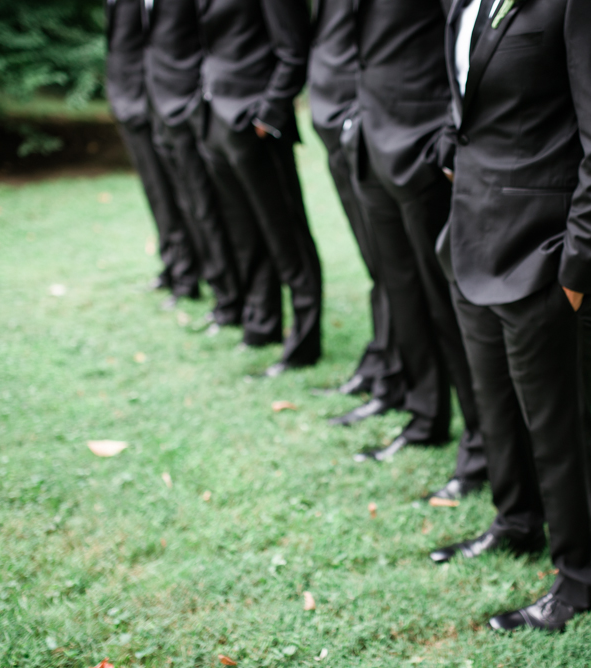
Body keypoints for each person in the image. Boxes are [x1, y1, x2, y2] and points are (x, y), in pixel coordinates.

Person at [429, 0, 591, 633]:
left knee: (558, 424)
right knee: (495, 402)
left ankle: (582, 577)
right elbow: (472, 98)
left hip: (548, 253)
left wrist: (580, 273)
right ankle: (516, 522)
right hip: (472, 235)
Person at [349, 0, 487, 501]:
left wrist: (447, 135)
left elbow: (468, 28)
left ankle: (482, 448)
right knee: (403, 294)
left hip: (422, 145)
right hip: (370, 138)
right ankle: (426, 414)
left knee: (449, 307)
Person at [196, 0, 323, 377]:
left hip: (254, 121)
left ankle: (304, 340)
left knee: (287, 234)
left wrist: (269, 112)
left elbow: (294, 49)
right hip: (216, 116)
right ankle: (262, 321)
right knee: (245, 232)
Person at [308, 0, 405, 415]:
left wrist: (354, 119)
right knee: (378, 265)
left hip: (372, 126)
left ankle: (396, 376)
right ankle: (384, 362)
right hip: (343, 129)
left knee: (393, 268)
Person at [143, 0, 244, 326]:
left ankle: (230, 298)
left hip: (191, 103)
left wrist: (195, 99)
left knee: (207, 207)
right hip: (160, 104)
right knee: (187, 205)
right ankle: (217, 291)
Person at [104, 0, 199, 304]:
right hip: (126, 101)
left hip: (145, 102)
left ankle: (186, 274)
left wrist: (138, 101)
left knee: (169, 194)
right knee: (156, 196)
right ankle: (172, 264)